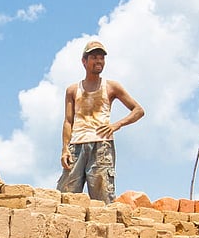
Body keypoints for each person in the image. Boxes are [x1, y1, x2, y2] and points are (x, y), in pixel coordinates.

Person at [57, 40, 144, 203]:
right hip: (76, 146)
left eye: (101, 58)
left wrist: (117, 125)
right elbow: (68, 121)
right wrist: (64, 149)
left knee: (103, 199)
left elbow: (138, 110)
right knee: (65, 196)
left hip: (102, 146)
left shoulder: (111, 87)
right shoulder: (73, 90)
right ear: (84, 61)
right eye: (94, 57)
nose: (99, 61)